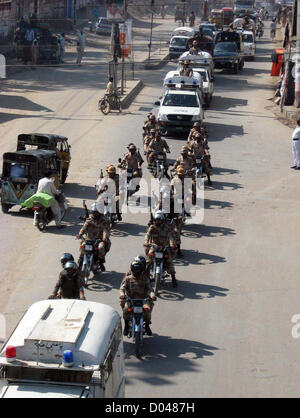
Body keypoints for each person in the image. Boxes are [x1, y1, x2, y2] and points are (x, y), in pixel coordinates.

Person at [120, 259, 156, 336]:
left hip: (143, 300)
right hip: (131, 300)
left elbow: (150, 289)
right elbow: (122, 288)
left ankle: (147, 325)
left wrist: (152, 295)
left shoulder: (145, 279)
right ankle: (126, 325)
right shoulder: (128, 278)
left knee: (148, 310)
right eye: (135, 269)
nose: (136, 270)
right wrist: (122, 294)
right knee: (126, 310)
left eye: (138, 269)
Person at [144, 211, 177, 287]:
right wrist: (146, 242)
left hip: (164, 247)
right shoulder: (152, 227)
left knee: (169, 262)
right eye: (156, 220)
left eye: (159, 220)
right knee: (148, 261)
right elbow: (147, 235)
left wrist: (172, 244)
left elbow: (171, 237)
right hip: (154, 246)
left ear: (162, 220)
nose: (157, 222)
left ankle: (173, 278)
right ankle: (146, 277)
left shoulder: (167, 228)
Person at [76, 202, 111, 271]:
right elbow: (84, 228)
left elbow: (105, 230)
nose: (94, 214)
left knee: (101, 247)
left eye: (96, 212)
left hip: (99, 240)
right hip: (89, 239)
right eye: (93, 212)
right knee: (83, 246)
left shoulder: (104, 220)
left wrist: (104, 238)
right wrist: (80, 234)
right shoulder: (89, 219)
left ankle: (101, 262)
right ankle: (80, 260)